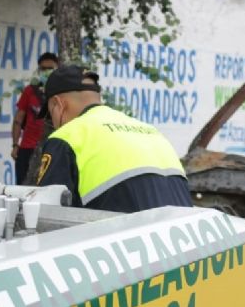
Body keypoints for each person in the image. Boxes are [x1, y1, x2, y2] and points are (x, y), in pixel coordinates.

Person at [35, 65, 192, 213]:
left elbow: (47, 213)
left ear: (58, 104)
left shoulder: (67, 136)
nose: (53, 124)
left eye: (50, 115)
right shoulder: (151, 131)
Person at [12, 52, 59, 184]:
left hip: (51, 149)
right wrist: (15, 145)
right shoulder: (29, 91)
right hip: (27, 149)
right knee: (22, 187)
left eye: (50, 69)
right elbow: (18, 120)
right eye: (43, 69)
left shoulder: (60, 92)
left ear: (57, 68)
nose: (46, 72)